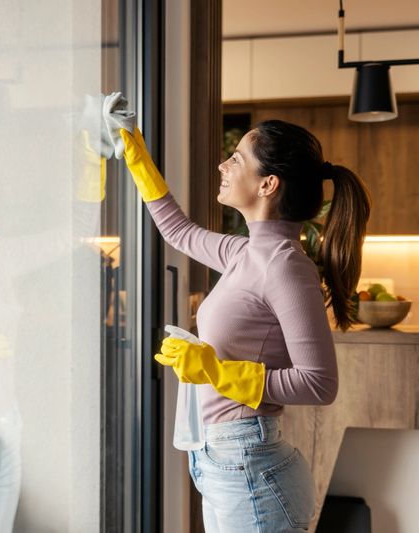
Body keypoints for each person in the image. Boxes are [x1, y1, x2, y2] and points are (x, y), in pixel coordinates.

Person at [108, 108, 371, 531]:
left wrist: (217, 371)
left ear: (268, 184)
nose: (222, 165)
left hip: (249, 465)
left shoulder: (285, 266)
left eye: (237, 159)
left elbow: (320, 382)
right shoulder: (244, 253)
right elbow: (177, 231)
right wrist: (135, 154)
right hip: (223, 459)